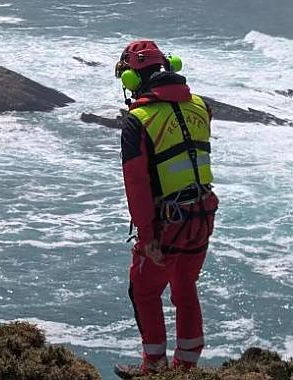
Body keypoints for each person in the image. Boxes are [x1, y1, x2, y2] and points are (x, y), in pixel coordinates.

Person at [113, 40, 219, 378]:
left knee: (143, 290)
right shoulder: (201, 106)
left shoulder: (137, 120)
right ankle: (186, 368)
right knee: (185, 286)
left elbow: (138, 184)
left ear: (131, 79)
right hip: (203, 213)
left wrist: (148, 237)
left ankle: (154, 367)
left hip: (168, 222)